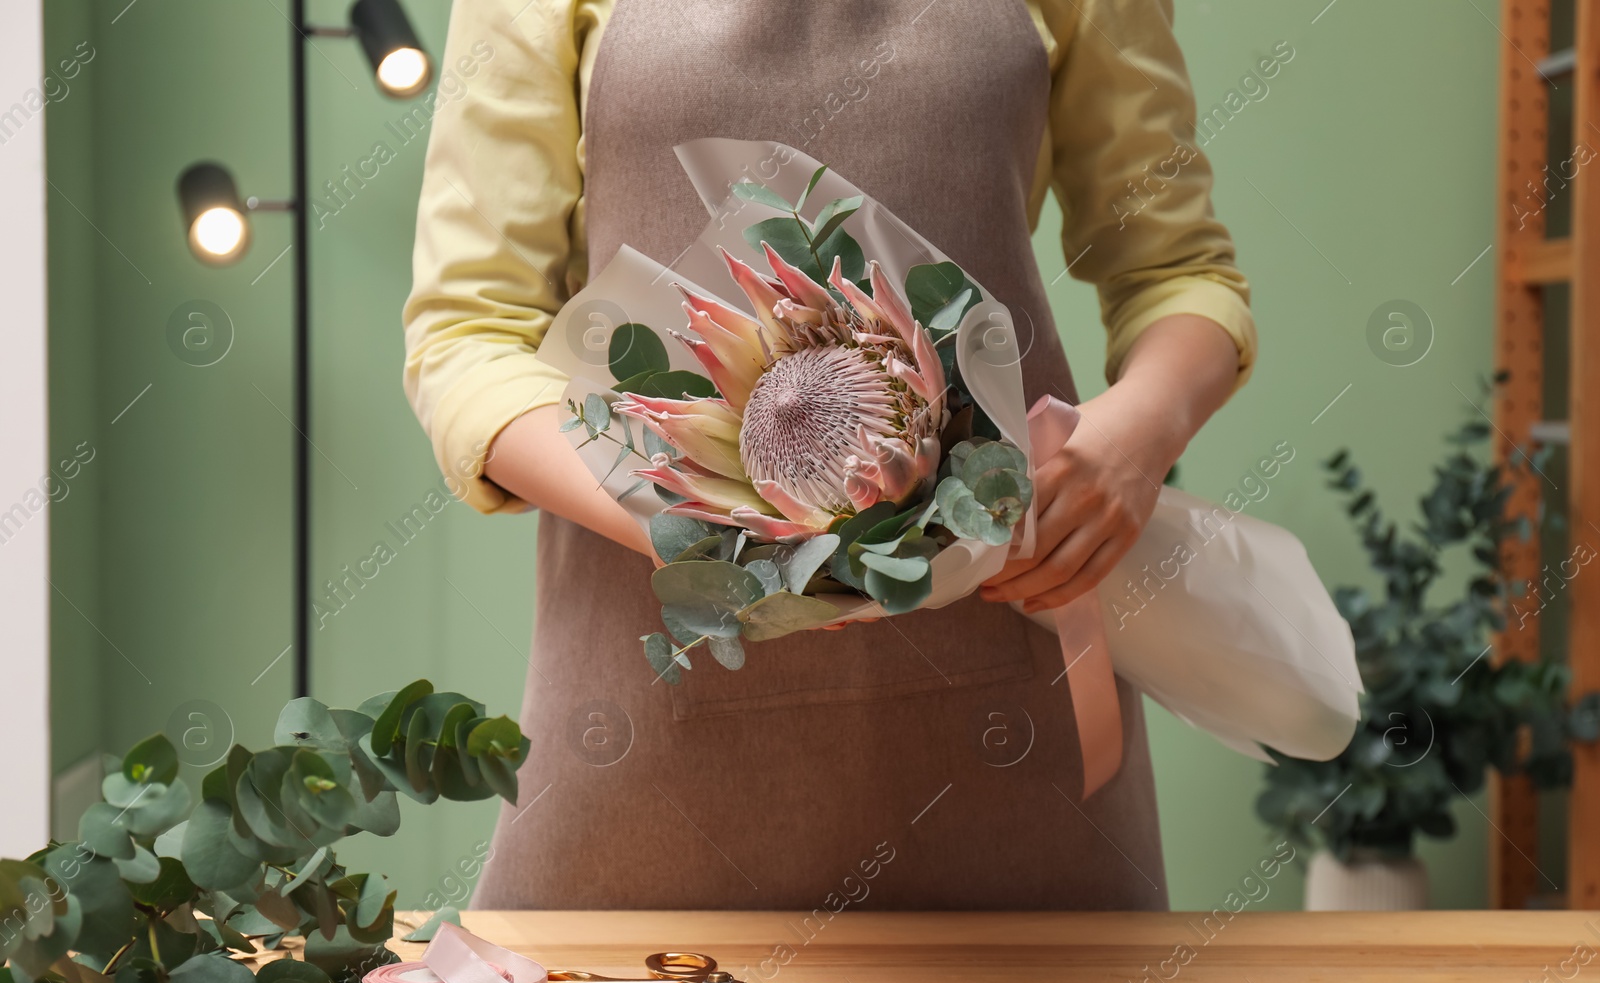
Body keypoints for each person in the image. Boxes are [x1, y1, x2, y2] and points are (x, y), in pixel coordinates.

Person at [403, 0, 1255, 910]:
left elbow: (1178, 272)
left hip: (1010, 711)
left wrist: (1137, 435)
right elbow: (466, 335)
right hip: (643, 711)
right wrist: (698, 533)